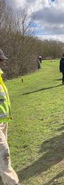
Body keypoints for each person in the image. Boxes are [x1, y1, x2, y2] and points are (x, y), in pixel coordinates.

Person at [0, 49, 19, 185]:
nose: (3, 63)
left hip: (3, 122)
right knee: (4, 155)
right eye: (1, 60)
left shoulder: (0, 76)